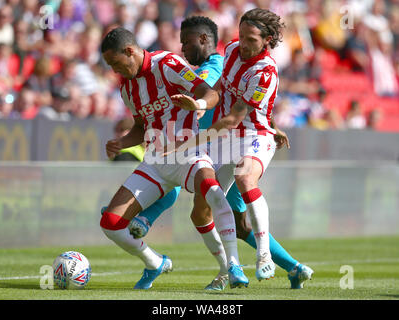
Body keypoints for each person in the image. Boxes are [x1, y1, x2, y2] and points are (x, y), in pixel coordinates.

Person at [130, 15, 313, 290]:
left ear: (203, 40)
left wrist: (186, 129)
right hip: (220, 143)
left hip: (233, 140)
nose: (183, 49)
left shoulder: (217, 65)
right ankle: (288, 268)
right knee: (213, 215)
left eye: (187, 42)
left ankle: (242, 266)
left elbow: (227, 105)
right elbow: (226, 96)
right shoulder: (230, 52)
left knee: (223, 201)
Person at [99, 27, 248, 290]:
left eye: (115, 63)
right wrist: (121, 142)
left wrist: (198, 105)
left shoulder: (167, 63)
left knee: (213, 193)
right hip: (155, 163)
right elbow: (140, 126)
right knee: (110, 224)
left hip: (188, 153)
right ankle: (154, 262)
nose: (114, 70)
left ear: (130, 51)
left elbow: (210, 93)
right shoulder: (128, 88)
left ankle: (231, 266)